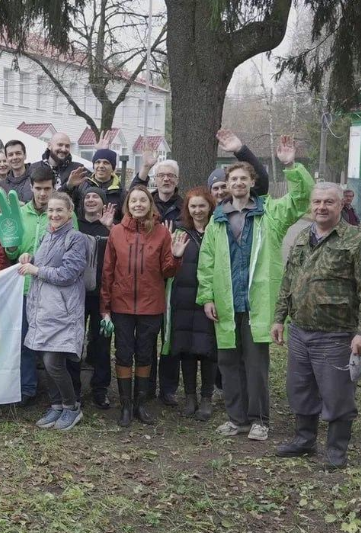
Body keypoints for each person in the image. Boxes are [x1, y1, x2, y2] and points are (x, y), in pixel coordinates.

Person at [196, 134, 313, 442]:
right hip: (226, 304)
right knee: (229, 363)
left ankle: (259, 419)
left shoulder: (270, 213)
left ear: (251, 182)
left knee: (256, 365)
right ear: (227, 183)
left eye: (243, 178)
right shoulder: (217, 221)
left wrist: (291, 165)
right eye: (233, 178)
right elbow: (206, 262)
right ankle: (236, 419)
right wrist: (206, 296)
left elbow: (302, 199)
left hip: (257, 304)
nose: (237, 182)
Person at [272, 183, 361, 469]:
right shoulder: (301, 237)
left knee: (337, 394)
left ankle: (336, 452)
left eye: (328, 202)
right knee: (300, 388)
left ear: (340, 205)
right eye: (317, 201)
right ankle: (304, 440)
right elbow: (288, 281)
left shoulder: (357, 241)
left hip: (336, 335)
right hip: (300, 331)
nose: (321, 207)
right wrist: (278, 317)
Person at [101, 185, 187, 426]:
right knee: (124, 353)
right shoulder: (116, 232)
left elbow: (167, 271)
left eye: (143, 201)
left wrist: (177, 256)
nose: (138, 204)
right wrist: (105, 308)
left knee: (145, 354)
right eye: (133, 201)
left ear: (150, 205)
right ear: (127, 205)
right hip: (122, 305)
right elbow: (108, 272)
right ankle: (126, 405)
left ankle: (140, 403)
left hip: (151, 306)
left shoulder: (161, 233)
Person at [19, 192, 89, 432]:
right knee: (44, 358)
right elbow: (41, 264)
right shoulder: (47, 237)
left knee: (53, 362)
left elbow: (68, 273)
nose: (54, 214)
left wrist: (36, 269)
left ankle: (72, 407)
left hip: (63, 312)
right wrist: (29, 257)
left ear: (70, 212)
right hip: (43, 310)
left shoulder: (76, 238)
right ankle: (56, 405)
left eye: (59, 210)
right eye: (50, 210)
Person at [2, 165, 59, 404]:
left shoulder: (62, 212)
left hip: (52, 290)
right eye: (38, 189)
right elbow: (10, 249)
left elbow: (69, 249)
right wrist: (13, 250)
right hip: (24, 288)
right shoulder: (20, 213)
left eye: (47, 188)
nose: (43, 194)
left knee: (52, 343)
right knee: (24, 340)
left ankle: (56, 392)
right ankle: (27, 389)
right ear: (31, 187)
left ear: (53, 187)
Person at [164, 187, 217, 421]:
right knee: (185, 348)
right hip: (183, 298)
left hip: (209, 299)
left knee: (207, 350)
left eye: (202, 206)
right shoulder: (179, 231)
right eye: (193, 206)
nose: (197, 210)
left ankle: (206, 397)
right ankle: (190, 396)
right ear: (187, 208)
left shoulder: (217, 230)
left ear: (209, 207)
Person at [76, 187, 116, 408]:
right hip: (77, 295)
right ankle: (74, 388)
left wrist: (110, 227)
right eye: (87, 197)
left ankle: (100, 389)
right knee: (74, 341)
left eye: (96, 197)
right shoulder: (75, 225)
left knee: (102, 343)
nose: (91, 200)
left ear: (103, 203)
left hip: (104, 296)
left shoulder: (112, 228)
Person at [207, 130, 272, 203]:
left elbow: (261, 178)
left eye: (224, 186)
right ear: (210, 192)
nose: (220, 192)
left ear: (230, 185)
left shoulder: (249, 206)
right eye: (215, 188)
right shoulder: (207, 211)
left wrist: (240, 150)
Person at [74, 147, 124, 220]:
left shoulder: (120, 191)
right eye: (97, 162)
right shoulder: (82, 185)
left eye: (106, 163)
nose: (101, 166)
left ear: (113, 168)